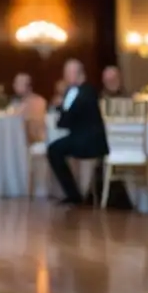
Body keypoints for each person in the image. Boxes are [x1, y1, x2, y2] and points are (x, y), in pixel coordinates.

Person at [46, 59, 109, 204]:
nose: (65, 76)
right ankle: (73, 193)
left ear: (79, 74)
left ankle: (73, 194)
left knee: (54, 150)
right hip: (79, 137)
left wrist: (61, 113)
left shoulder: (87, 91)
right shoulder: (72, 91)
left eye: (68, 73)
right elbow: (66, 113)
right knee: (54, 149)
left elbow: (69, 116)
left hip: (90, 141)